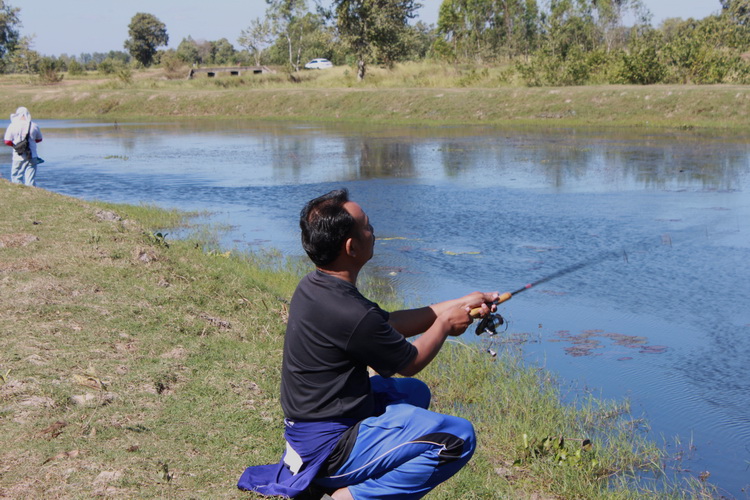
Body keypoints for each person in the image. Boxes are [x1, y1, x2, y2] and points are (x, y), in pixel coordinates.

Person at [238, 189, 499, 499]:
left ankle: (328, 482)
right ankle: (352, 495)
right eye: (368, 226)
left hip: (309, 434)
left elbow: (387, 324)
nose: (374, 231)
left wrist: (461, 302)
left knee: (415, 395)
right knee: (457, 437)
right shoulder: (349, 311)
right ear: (352, 246)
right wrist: (444, 326)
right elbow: (411, 362)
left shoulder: (316, 286)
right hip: (328, 446)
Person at [4, 107, 44, 186]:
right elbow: (39, 139)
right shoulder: (34, 125)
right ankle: (31, 193)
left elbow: (7, 141)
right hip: (32, 155)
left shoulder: (12, 125)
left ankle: (18, 192)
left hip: (18, 156)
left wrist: (16, 147)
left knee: (16, 177)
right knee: (30, 178)